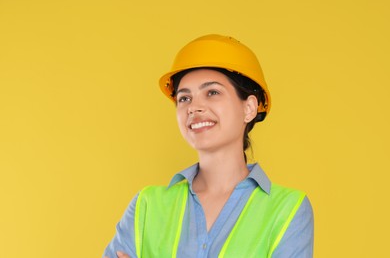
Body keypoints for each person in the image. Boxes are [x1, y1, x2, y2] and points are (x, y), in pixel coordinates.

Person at [103, 34, 314, 258]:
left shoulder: (288, 209)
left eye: (212, 92)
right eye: (184, 98)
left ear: (249, 108)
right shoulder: (147, 205)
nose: (194, 107)